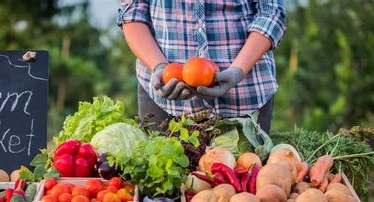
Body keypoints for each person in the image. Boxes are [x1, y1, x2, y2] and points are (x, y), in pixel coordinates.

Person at [117, 0, 286, 133]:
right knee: (162, 174)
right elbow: (132, 12)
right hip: (163, 103)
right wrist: (159, 67)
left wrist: (238, 71)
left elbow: (270, 12)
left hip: (245, 94)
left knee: (247, 173)